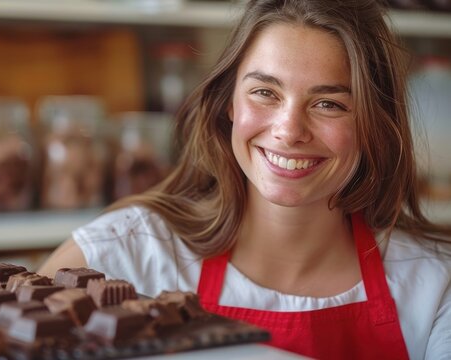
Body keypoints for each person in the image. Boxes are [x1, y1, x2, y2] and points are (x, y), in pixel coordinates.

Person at [38, 0, 451, 358]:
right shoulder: (125, 255)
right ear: (229, 103)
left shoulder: (433, 285)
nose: (289, 131)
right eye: (265, 93)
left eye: (328, 103)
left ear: (374, 124)